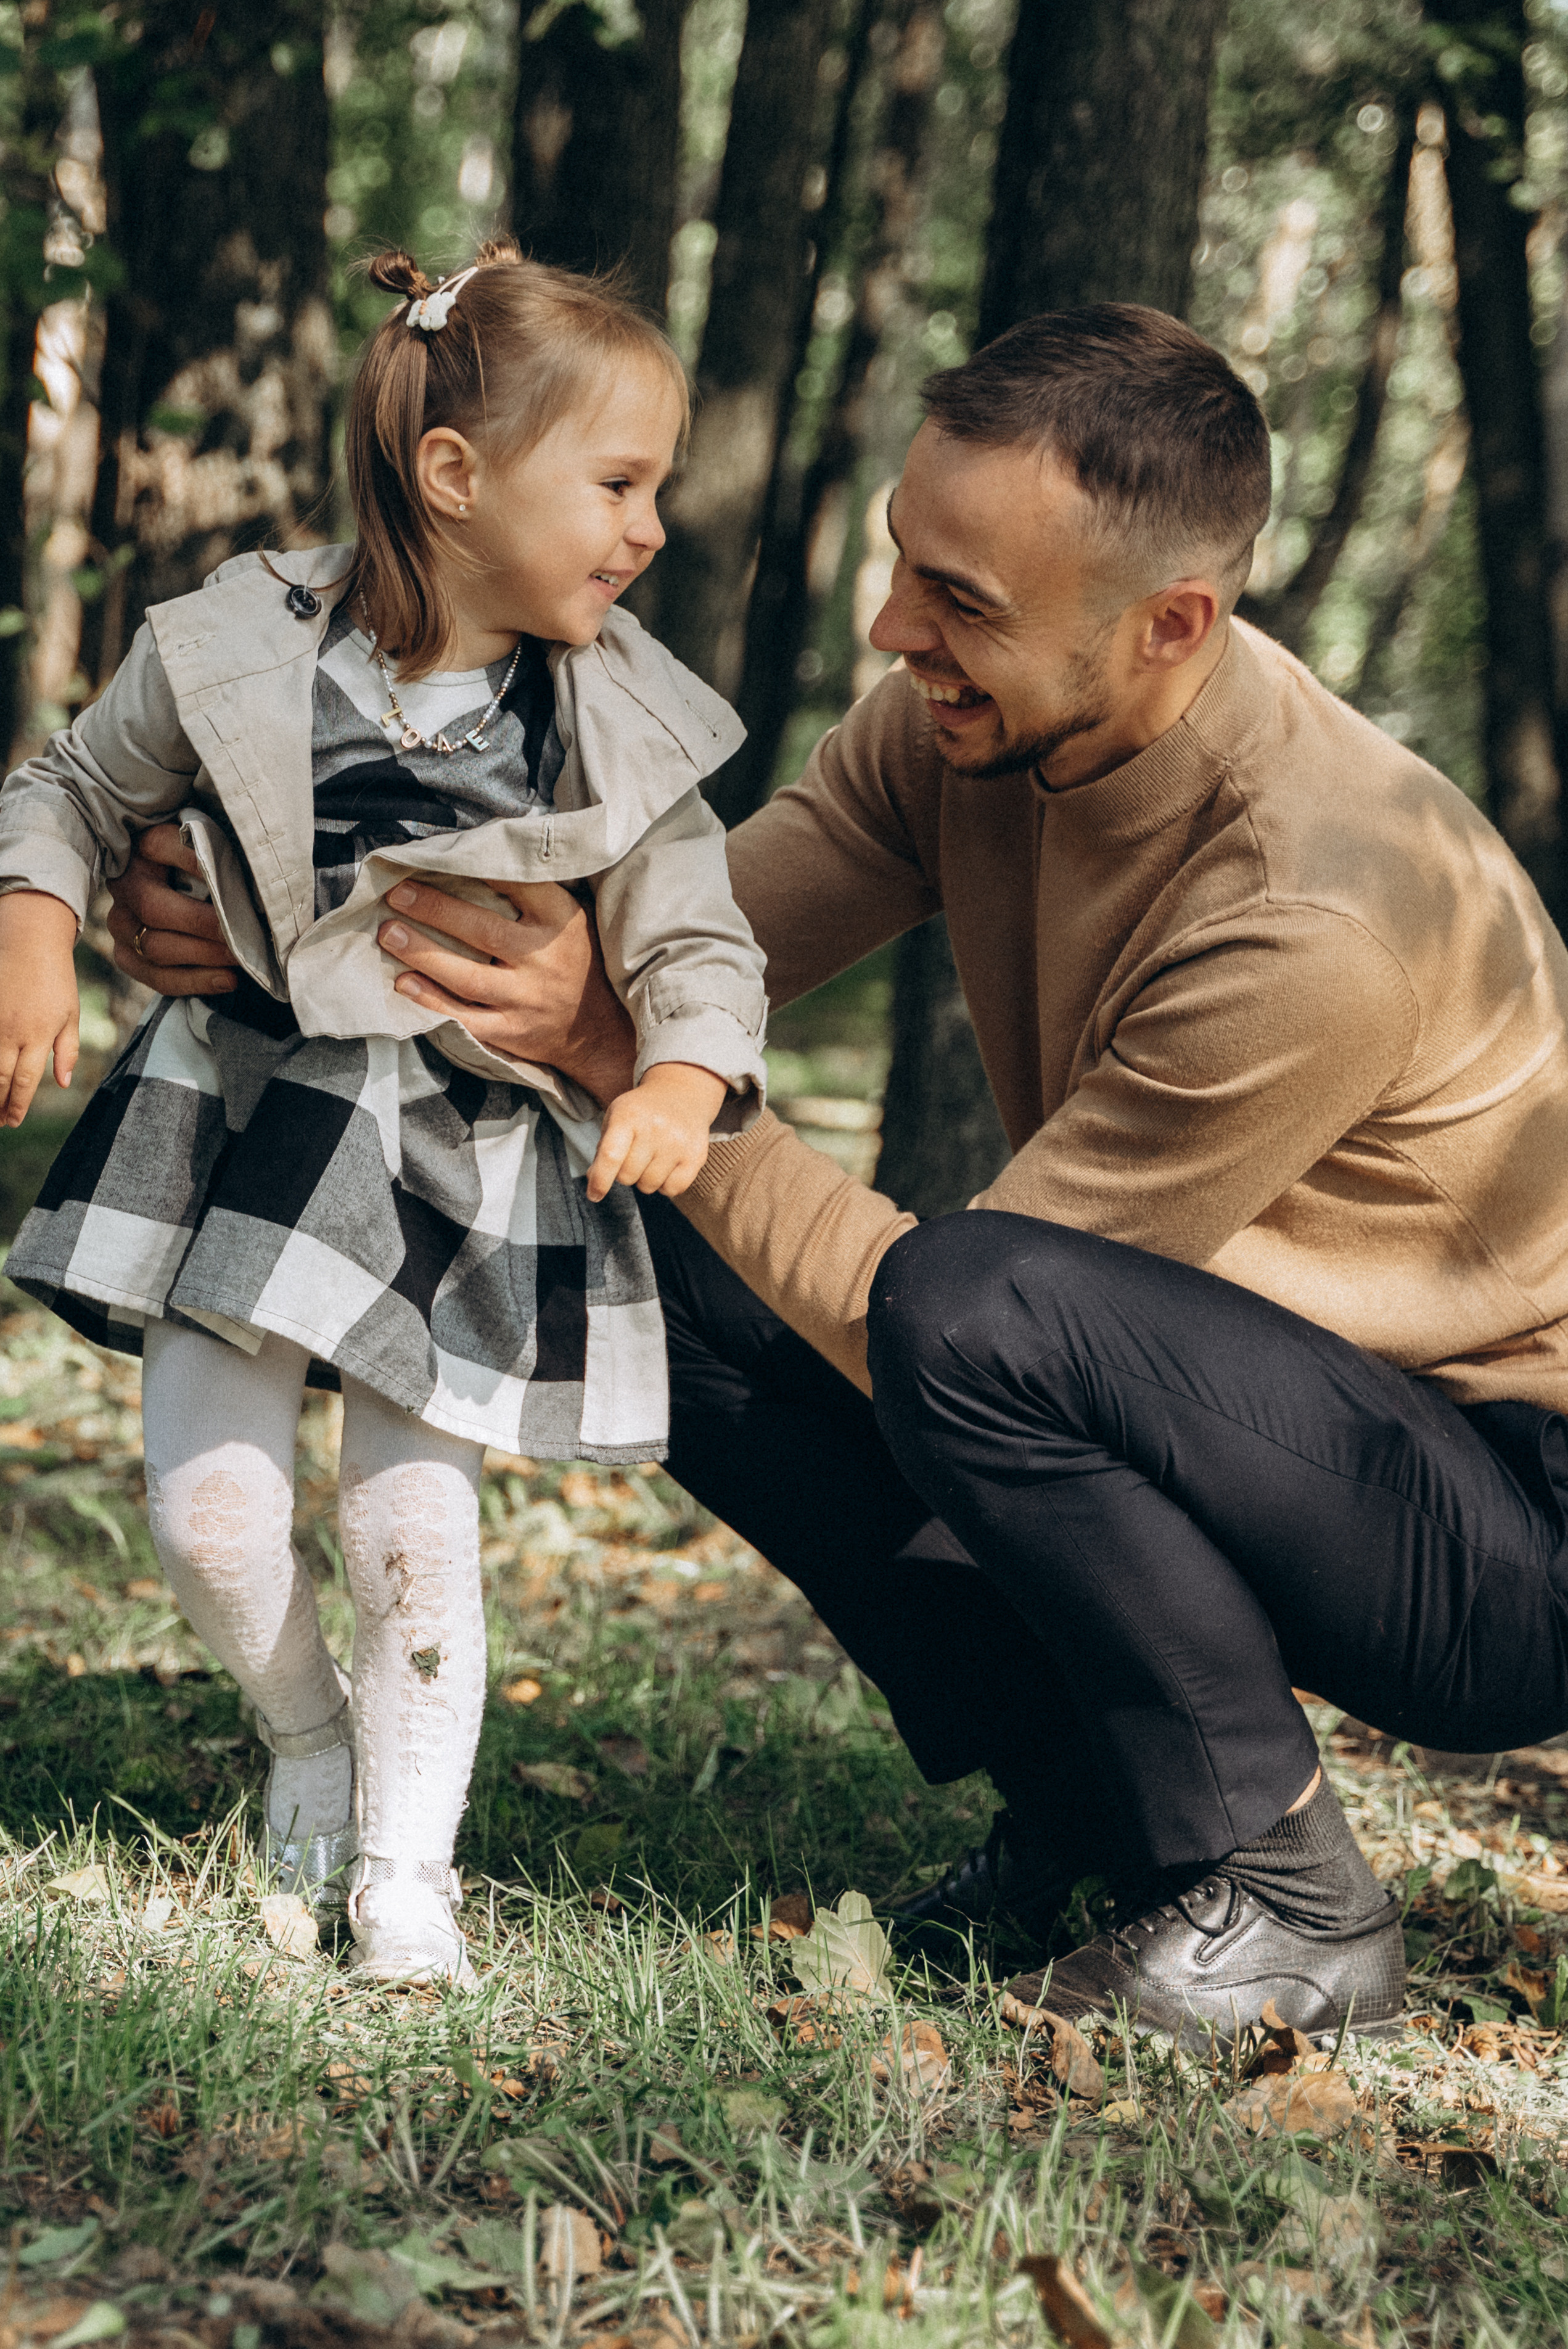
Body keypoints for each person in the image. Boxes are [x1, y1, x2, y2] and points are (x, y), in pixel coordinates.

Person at [110, 303, 1568, 2047]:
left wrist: (612, 1052)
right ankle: (1095, 1817)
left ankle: (1288, 1894)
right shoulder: (953, 731)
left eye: (963, 603)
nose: (896, 630)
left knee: (950, 1302)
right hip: (1245, 1416)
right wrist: (264, 925)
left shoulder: (1315, 911)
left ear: (1171, 623)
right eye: (905, 564)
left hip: (1493, 1527)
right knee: (660, 1226)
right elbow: (653, 953)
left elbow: (949, 1341)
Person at [0, 242, 767, 1986]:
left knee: (408, 1521)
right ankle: (304, 1730)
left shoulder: (609, 717)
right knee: (206, 1504)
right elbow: (70, 783)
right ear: (454, 475)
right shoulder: (240, 644)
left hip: (457, 1157)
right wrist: (35, 931)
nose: (650, 527)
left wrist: (676, 1070)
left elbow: (699, 935)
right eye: (619, 484)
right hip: (244, 1124)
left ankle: (407, 1867)